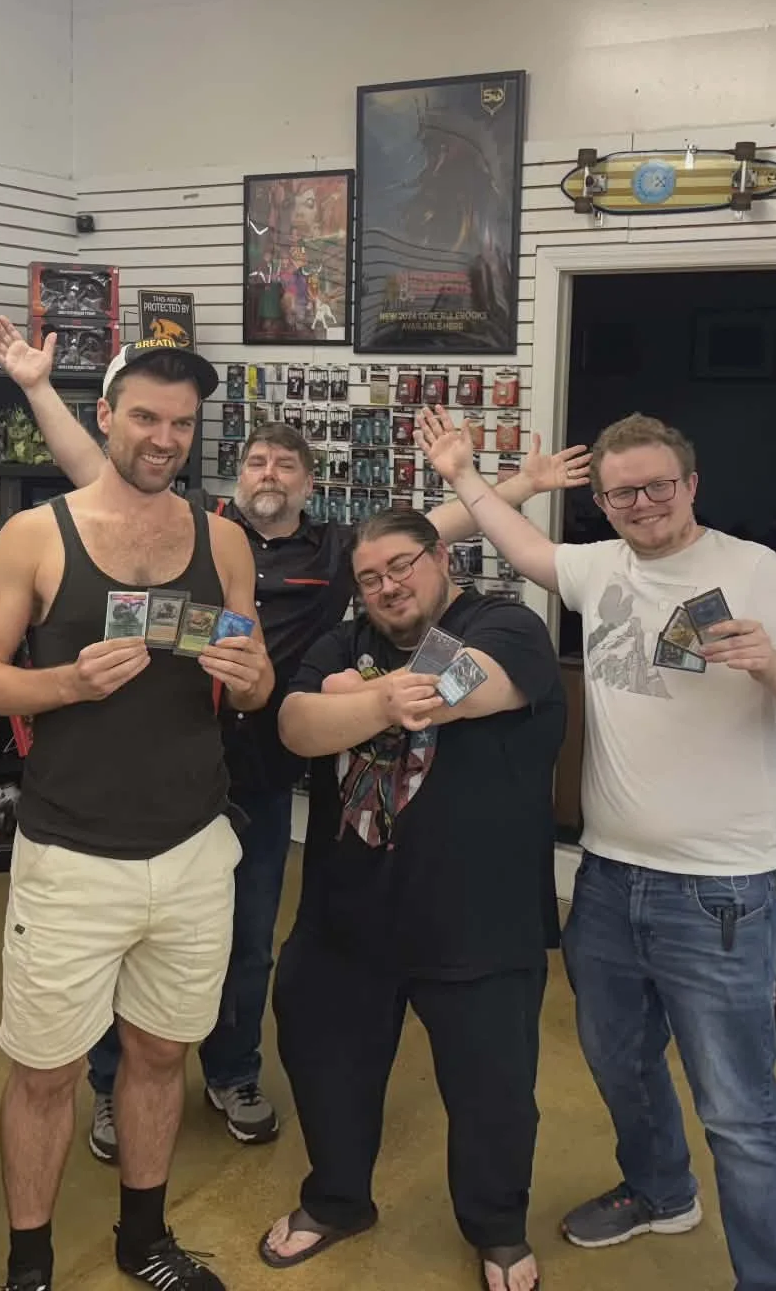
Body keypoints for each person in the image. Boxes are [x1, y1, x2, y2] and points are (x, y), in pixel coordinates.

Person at [0, 317, 589, 1165]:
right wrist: (38, 388)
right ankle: (111, 1092)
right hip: (152, 777)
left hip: (257, 780)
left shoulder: (348, 555)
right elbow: (98, 473)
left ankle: (233, 1072)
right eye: (257, 461)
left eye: (287, 464)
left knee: (245, 946)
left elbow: (423, 541)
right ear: (236, 473)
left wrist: (508, 486)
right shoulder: (186, 524)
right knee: (118, 964)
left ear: (310, 482)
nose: (385, 587)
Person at [418, 407, 776, 1291]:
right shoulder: (598, 568)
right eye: (623, 492)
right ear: (605, 504)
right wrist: (464, 474)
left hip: (721, 892)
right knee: (618, 1063)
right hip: (609, 879)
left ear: (691, 485)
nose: (644, 503)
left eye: (659, 485)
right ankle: (661, 1190)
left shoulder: (751, 569)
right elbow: (524, 550)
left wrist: (771, 663)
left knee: (738, 1112)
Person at [0, 338, 274, 1291]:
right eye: (146, 417)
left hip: (191, 849)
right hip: (72, 854)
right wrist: (63, 681)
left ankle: (144, 1242)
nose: (164, 439)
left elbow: (254, 684)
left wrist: (255, 679)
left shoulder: (222, 540)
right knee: (47, 1074)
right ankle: (30, 1268)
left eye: (182, 424)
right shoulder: (36, 536)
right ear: (105, 415)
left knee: (160, 1054)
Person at [255, 508, 565, 1291]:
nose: (389, 586)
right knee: (325, 1067)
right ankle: (336, 1201)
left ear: (440, 557)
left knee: (492, 1092)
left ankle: (496, 1229)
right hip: (347, 916)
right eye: (370, 578)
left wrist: (357, 699)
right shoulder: (342, 641)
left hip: (479, 920)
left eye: (402, 566)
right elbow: (295, 724)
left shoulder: (508, 624)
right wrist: (367, 696)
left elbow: (467, 688)